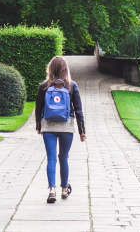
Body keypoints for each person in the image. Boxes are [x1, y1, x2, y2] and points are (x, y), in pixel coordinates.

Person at [35, 56, 86, 204]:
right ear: (65, 69)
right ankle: (64, 189)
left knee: (51, 158)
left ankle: (52, 189)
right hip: (66, 127)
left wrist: (39, 126)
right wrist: (82, 131)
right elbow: (78, 110)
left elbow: (38, 109)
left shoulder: (44, 86)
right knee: (63, 157)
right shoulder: (71, 86)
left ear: (50, 68)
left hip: (48, 126)